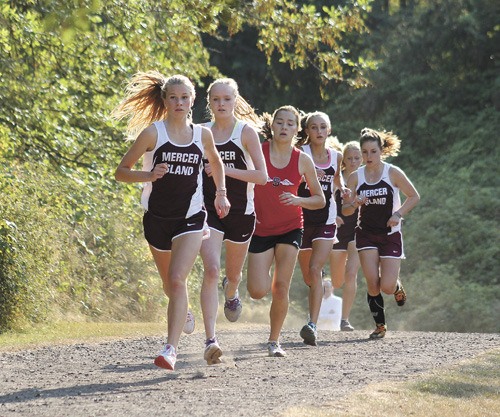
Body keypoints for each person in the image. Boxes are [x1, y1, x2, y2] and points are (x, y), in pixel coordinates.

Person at [113, 71, 230, 371]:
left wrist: (221, 194)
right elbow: (121, 171)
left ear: (192, 101)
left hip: (191, 218)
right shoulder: (154, 134)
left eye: (184, 97)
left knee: (178, 279)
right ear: (164, 101)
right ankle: (184, 311)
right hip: (157, 220)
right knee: (170, 285)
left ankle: (170, 349)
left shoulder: (202, 135)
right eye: (173, 97)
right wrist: (148, 175)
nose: (179, 102)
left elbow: (215, 162)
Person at [246, 105, 325, 357]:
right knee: (257, 291)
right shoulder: (258, 150)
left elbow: (320, 199)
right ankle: (239, 280)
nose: (284, 127)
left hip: (291, 227)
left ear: (297, 129)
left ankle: (273, 341)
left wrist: (298, 200)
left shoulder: (302, 159)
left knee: (281, 286)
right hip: (260, 228)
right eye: (279, 122)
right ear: (272, 126)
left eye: (290, 123)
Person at [199, 78, 268, 365]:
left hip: (241, 211)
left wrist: (222, 169)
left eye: (227, 99)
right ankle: (210, 341)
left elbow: (262, 177)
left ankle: (232, 292)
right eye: (216, 100)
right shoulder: (201, 133)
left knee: (233, 275)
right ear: (209, 102)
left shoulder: (245, 132)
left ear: (235, 100)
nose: (221, 104)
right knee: (212, 270)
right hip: (209, 210)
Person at [342, 128, 420, 339]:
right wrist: (354, 203)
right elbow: (346, 209)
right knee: (372, 282)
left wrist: (398, 214)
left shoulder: (392, 172)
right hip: (365, 234)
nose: (368, 157)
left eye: (373, 152)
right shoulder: (355, 177)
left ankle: (396, 287)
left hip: (390, 234)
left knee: (386, 285)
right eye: (364, 152)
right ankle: (380, 326)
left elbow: (414, 196)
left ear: (381, 151)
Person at [295, 112, 349, 346]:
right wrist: (306, 176)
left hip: (326, 219)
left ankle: (312, 325)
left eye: (323, 127)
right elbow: (289, 179)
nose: (318, 131)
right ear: (306, 131)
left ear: (329, 130)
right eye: (313, 127)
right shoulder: (300, 154)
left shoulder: (336, 156)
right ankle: (315, 299)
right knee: (309, 275)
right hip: (300, 218)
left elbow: (337, 179)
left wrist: (344, 188)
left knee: (316, 269)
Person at [329, 141, 363, 331]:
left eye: (357, 158)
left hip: (357, 230)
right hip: (338, 229)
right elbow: (327, 200)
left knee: (351, 274)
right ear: (344, 160)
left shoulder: (367, 178)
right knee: (337, 280)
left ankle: (344, 319)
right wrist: (334, 217)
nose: (353, 162)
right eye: (349, 158)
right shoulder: (338, 179)